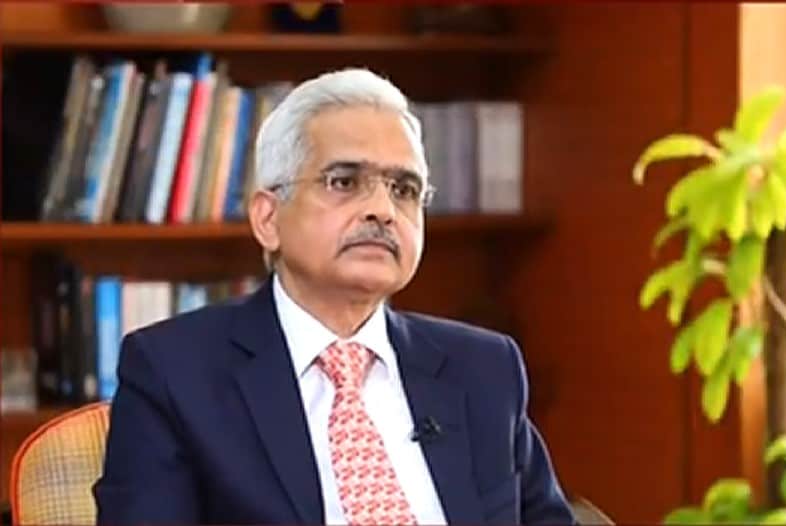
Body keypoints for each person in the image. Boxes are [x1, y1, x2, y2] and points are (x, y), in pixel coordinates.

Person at [94, 68, 577, 525]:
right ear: (268, 218)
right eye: (344, 182)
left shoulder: (484, 368)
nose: (383, 210)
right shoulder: (174, 372)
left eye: (404, 189)